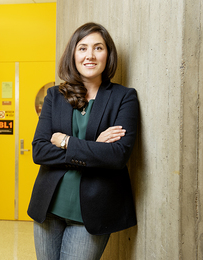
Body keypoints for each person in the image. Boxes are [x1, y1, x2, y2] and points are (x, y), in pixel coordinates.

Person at [27, 22, 139, 260]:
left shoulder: (124, 98)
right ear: (73, 55)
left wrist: (66, 141)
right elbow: (39, 151)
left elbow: (117, 156)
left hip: (91, 212)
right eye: (82, 48)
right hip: (49, 207)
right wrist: (95, 148)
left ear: (108, 55)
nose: (90, 55)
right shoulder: (54, 96)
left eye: (98, 48)